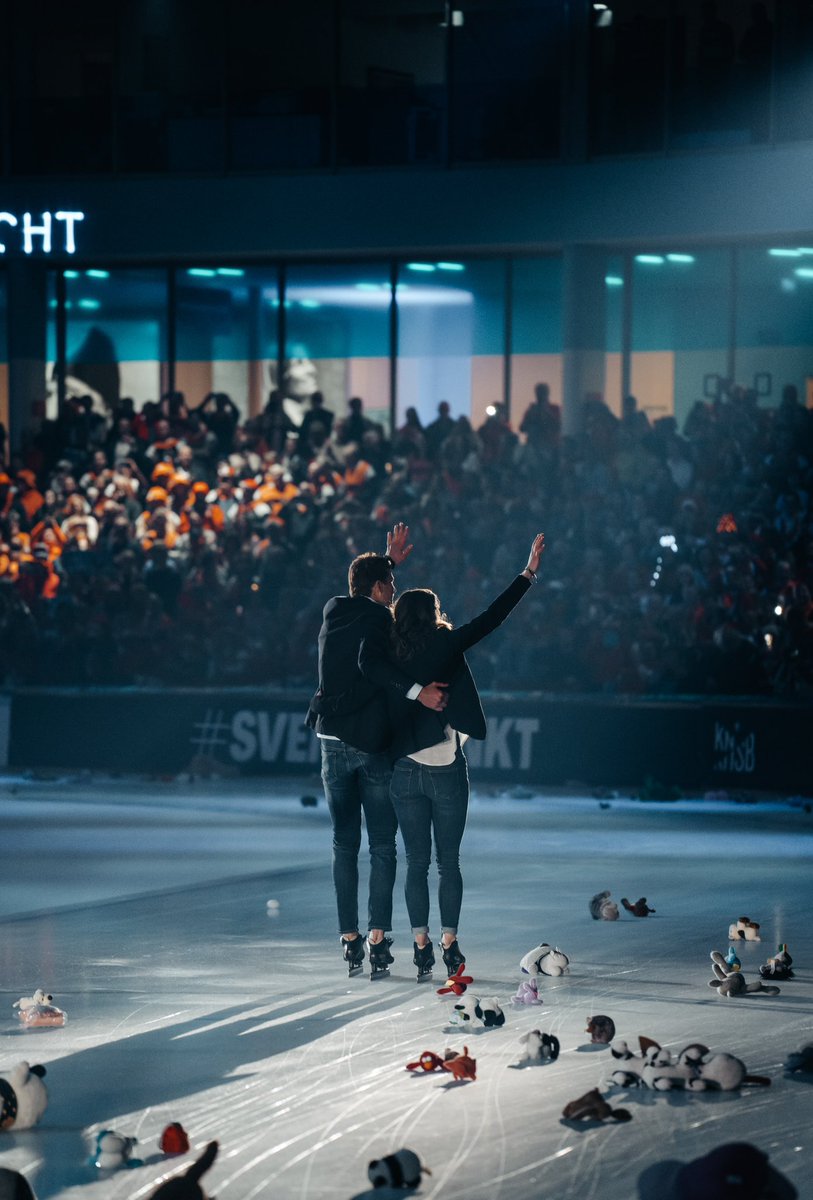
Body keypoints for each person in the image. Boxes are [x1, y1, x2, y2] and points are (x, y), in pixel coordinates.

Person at [359, 532, 545, 980]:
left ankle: (420, 943)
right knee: (448, 863)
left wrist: (386, 566)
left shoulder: (387, 649)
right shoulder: (445, 644)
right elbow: (492, 617)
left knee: (416, 863)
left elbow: (367, 611)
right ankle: (448, 942)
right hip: (445, 767)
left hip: (404, 769)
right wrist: (527, 573)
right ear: (434, 615)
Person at [306, 524, 447, 978]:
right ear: (381, 588)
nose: (396, 591)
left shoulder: (334, 611)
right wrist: (417, 692)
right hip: (369, 745)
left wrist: (386, 561)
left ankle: (349, 938)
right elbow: (376, 669)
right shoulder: (381, 622)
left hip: (331, 742)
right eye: (392, 583)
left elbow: (362, 592)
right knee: (383, 845)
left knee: (343, 842)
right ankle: (377, 938)